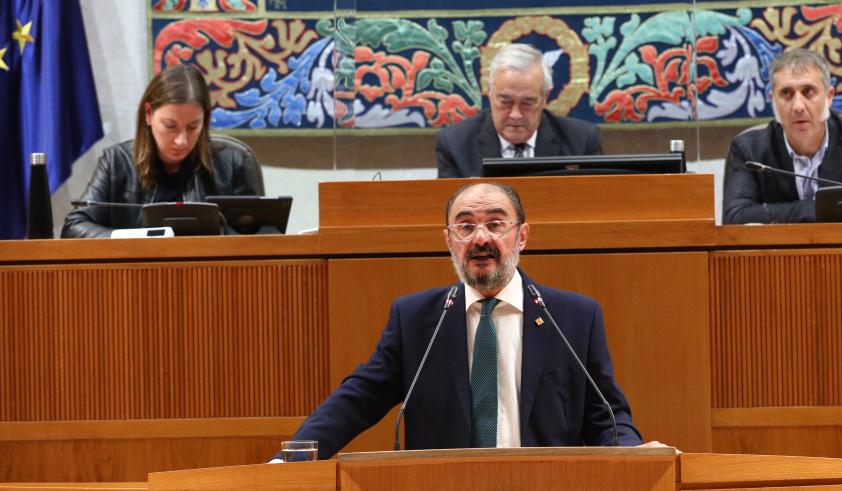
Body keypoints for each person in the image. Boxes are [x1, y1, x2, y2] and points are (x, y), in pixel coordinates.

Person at [289, 182, 658, 459]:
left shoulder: (573, 317)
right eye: (465, 227)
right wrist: (294, 456)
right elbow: (360, 398)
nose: (481, 238)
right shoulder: (417, 319)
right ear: (449, 240)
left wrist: (634, 452)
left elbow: (606, 416)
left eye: (496, 224)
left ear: (522, 236)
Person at [61, 64, 261, 238]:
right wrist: (134, 239)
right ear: (148, 114)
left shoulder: (232, 162)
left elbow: (260, 235)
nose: (181, 141)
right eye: (170, 126)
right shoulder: (117, 162)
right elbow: (74, 227)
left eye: (193, 127)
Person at [722, 48, 842, 224]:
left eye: (808, 92)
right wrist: (816, 209)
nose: (798, 106)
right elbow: (735, 218)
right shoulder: (750, 150)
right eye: (786, 93)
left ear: (829, 97)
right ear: (773, 100)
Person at [436, 44, 603, 178]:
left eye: (528, 102)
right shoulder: (455, 143)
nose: (515, 114)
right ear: (490, 92)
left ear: (545, 97)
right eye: (505, 101)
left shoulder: (582, 140)